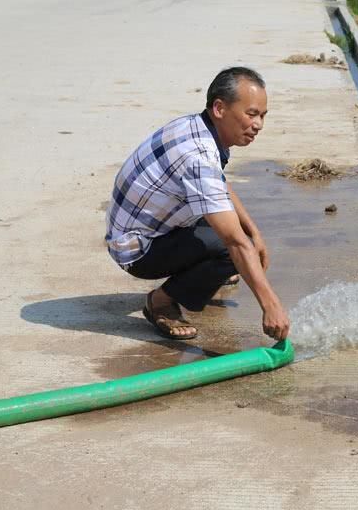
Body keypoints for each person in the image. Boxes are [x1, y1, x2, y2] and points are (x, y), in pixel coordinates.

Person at [104, 67, 290, 342]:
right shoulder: (198, 156)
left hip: (149, 227)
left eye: (263, 116)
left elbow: (218, 183)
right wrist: (271, 306)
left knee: (241, 240)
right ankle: (160, 303)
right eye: (251, 114)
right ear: (219, 108)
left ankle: (204, 273)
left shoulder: (198, 127)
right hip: (136, 250)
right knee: (232, 250)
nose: (259, 124)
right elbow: (234, 242)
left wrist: (255, 232)